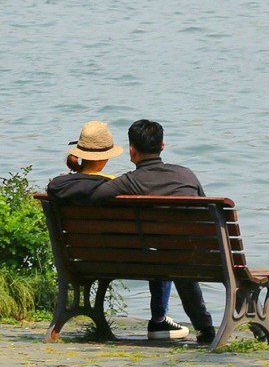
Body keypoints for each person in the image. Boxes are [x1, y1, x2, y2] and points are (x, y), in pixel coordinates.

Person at [88, 118, 216, 344]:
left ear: (131, 150)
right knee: (175, 253)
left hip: (148, 259)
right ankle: (204, 328)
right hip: (199, 258)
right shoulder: (186, 175)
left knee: (162, 252)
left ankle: (159, 319)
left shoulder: (129, 182)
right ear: (162, 146)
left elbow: (94, 197)